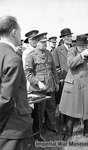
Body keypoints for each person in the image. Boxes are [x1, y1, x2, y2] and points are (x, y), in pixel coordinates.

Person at [59, 35, 88, 141]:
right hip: (74, 84)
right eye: (81, 46)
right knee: (71, 110)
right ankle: (68, 133)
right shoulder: (72, 50)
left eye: (84, 46)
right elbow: (70, 64)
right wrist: (81, 55)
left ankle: (87, 132)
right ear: (77, 45)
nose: (83, 48)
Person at [0, 15, 32, 150]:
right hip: (13, 127)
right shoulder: (13, 58)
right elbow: (7, 99)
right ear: (14, 32)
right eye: (19, 32)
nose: (20, 36)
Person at [25, 32, 60, 134]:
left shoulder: (48, 53)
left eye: (46, 42)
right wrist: (38, 83)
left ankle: (52, 126)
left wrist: (56, 82)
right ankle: (38, 132)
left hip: (50, 85)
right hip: (39, 88)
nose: (45, 44)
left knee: (51, 107)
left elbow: (53, 69)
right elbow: (28, 73)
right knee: (39, 112)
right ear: (36, 43)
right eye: (42, 42)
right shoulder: (30, 56)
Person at [52, 28, 73, 131]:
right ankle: (64, 122)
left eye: (70, 36)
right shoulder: (57, 50)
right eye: (68, 37)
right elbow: (56, 67)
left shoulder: (74, 49)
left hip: (75, 79)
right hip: (64, 80)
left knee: (73, 100)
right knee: (64, 102)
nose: (70, 38)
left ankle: (74, 120)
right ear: (64, 38)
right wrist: (60, 79)